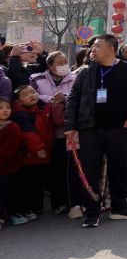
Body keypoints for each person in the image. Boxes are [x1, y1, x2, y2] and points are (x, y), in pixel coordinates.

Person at [65, 33, 127, 227]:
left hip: (118, 129)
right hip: (89, 129)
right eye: (92, 46)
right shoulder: (85, 72)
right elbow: (73, 99)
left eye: (97, 45)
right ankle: (92, 212)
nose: (92, 49)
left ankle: (119, 207)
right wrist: (70, 126)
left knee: (120, 168)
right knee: (90, 170)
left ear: (111, 48)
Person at [30, 51, 74, 214]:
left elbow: (79, 95)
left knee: (67, 165)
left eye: (65, 62)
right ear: (50, 66)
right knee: (53, 167)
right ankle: (56, 203)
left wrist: (65, 97)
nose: (64, 65)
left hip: (67, 129)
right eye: (60, 63)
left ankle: (69, 200)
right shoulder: (37, 78)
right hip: (45, 128)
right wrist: (51, 99)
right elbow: (32, 96)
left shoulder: (74, 78)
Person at [11, 85, 54, 223]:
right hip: (29, 157)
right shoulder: (20, 114)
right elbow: (28, 133)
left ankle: (35, 207)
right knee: (26, 184)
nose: (31, 95)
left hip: (42, 156)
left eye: (33, 92)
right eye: (25, 94)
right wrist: (38, 148)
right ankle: (26, 208)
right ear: (18, 101)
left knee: (37, 182)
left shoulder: (43, 109)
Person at [0, 98, 24, 228]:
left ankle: (2, 218)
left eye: (7, 107)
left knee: (4, 194)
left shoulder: (12, 127)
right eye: (1, 108)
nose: (5, 110)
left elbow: (9, 150)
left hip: (7, 168)